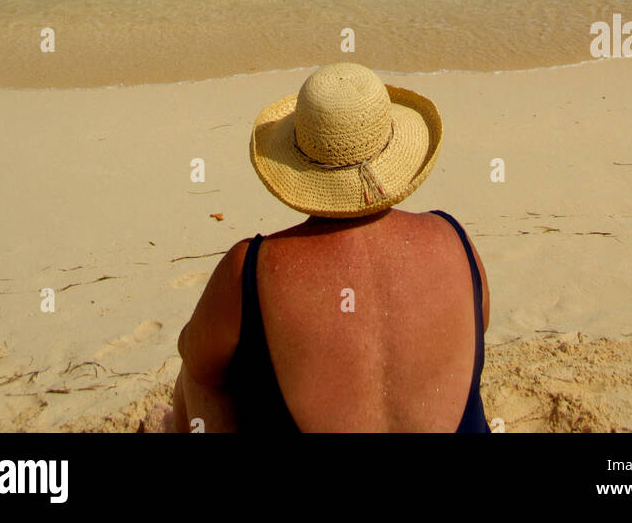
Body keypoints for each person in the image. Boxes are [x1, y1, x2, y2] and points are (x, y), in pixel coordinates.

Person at [171, 61, 490, 433]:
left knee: (198, 374)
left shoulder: (252, 268)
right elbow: (478, 326)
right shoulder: (454, 239)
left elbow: (193, 354)